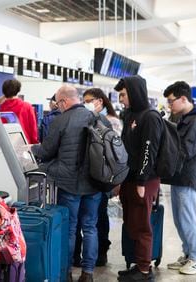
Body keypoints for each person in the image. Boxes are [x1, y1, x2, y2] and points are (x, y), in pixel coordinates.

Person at [31, 85, 105, 282]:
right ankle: (88, 273)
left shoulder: (61, 120)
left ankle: (67, 272)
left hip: (69, 182)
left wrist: (30, 149)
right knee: (90, 227)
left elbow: (46, 152)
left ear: (63, 101)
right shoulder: (98, 117)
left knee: (70, 228)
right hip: (95, 182)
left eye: (58, 102)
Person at [114, 75, 163, 281]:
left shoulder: (149, 117)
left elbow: (148, 151)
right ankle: (137, 263)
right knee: (132, 223)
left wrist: (142, 181)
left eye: (123, 94)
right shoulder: (130, 114)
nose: (121, 99)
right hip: (129, 178)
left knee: (142, 225)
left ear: (134, 92)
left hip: (144, 180)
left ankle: (144, 270)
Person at [163, 81, 196, 275]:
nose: (169, 105)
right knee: (180, 220)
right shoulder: (185, 118)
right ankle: (188, 254)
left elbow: (185, 150)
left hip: (190, 178)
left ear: (183, 99)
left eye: (171, 101)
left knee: (189, 219)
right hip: (180, 177)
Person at [73, 88, 121, 267]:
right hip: (92, 176)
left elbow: (114, 154)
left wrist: (115, 181)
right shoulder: (87, 119)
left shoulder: (110, 121)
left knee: (98, 217)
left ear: (99, 101)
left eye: (89, 100)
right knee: (92, 219)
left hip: (102, 177)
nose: (85, 103)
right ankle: (89, 257)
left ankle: (101, 252)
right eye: (83, 100)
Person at [0, 79, 39, 144]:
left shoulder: (1, 108)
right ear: (18, 90)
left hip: (6, 146)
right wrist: (34, 144)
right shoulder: (27, 106)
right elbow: (33, 128)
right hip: (24, 144)